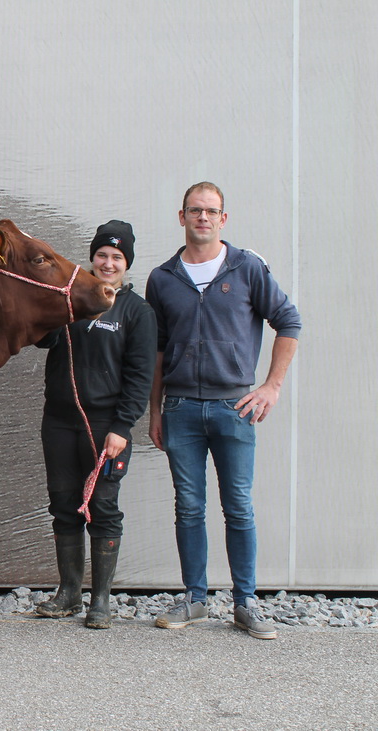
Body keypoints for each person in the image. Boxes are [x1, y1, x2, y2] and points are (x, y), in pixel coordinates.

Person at [145, 181, 301, 640]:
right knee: (189, 507)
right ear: (182, 216)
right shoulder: (163, 278)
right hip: (180, 410)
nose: (203, 218)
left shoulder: (247, 268)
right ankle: (195, 600)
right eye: (195, 210)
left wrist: (271, 386)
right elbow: (156, 351)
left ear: (223, 219)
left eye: (212, 211)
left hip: (234, 408)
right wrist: (154, 412)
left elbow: (288, 321)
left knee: (239, 507)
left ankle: (245, 603)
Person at [33, 220, 156, 629]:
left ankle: (100, 600)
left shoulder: (137, 313)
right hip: (60, 421)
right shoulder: (73, 299)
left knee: (102, 507)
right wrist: (51, 307)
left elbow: (141, 377)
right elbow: (43, 340)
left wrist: (123, 427)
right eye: (102, 255)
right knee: (64, 506)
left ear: (126, 264)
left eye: (116, 257)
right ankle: (68, 593)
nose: (108, 263)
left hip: (107, 426)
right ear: (92, 258)